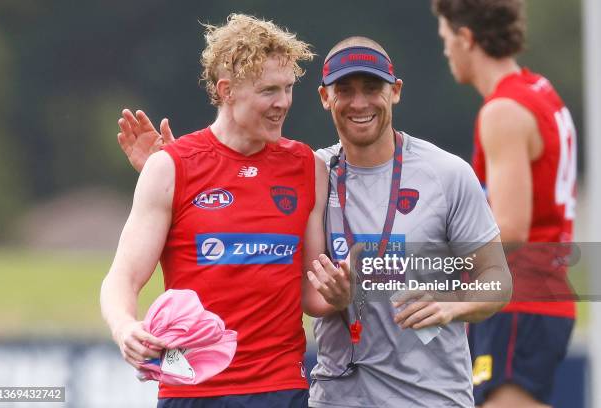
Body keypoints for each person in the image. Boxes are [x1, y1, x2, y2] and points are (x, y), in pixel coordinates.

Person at [121, 34, 513, 407]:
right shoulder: (310, 170)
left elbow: (498, 279)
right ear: (326, 97)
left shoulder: (447, 174)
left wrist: (453, 303)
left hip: (431, 398)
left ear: (395, 91)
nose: (359, 102)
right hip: (335, 396)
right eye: (345, 90)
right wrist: (169, 171)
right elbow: (233, 188)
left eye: (372, 88)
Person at [100, 14, 351, 408]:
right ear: (227, 90)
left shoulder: (307, 167)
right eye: (268, 90)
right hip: (193, 389)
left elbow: (312, 295)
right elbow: (123, 277)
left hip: (281, 388)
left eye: (288, 89)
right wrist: (124, 327)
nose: (283, 102)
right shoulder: (169, 167)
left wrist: (341, 294)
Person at [432, 1, 577, 407]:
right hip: (542, 296)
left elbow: (510, 229)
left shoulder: (503, 110)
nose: (445, 51)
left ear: (466, 38)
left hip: (521, 298)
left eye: (446, 39)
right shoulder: (539, 89)